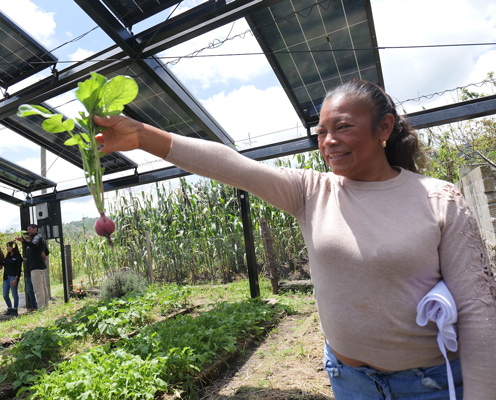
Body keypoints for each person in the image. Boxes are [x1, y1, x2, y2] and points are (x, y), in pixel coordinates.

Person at [90, 79, 496, 398]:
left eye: (343, 127)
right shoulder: (311, 191)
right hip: (349, 381)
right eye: (321, 132)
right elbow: (232, 166)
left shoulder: (438, 198)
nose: (329, 141)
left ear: (384, 127)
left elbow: (480, 313)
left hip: (430, 385)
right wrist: (142, 136)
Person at [16, 224, 49, 309]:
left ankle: (41, 308)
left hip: (37, 267)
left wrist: (23, 241)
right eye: (28, 230)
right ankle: (45, 306)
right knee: (43, 288)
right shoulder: (38, 238)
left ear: (35, 229)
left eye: (30, 229)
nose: (28, 231)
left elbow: (34, 245)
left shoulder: (37, 237)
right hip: (38, 266)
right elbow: (45, 251)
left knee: (38, 289)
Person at [2, 241, 22, 316]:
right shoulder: (7, 256)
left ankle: (15, 309)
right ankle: (9, 308)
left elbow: (19, 269)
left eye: (10, 246)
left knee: (14, 293)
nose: (8, 248)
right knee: (5, 295)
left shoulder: (17, 256)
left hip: (13, 277)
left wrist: (16, 279)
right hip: (6, 277)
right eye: (7, 246)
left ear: (13, 247)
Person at [21, 233, 38, 312]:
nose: (27, 239)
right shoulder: (28, 247)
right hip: (28, 272)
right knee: (29, 290)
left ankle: (40, 305)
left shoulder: (35, 247)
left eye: (28, 237)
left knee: (37, 289)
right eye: (26, 238)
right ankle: (34, 306)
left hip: (34, 270)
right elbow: (29, 259)